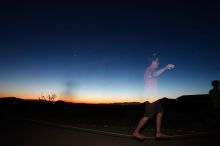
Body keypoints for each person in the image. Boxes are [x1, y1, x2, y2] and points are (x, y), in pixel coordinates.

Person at [133, 55, 175, 140]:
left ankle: (158, 133)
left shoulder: (152, 70)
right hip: (150, 95)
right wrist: (166, 67)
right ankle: (136, 132)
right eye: (157, 61)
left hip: (155, 96)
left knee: (160, 112)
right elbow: (154, 74)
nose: (158, 63)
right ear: (153, 62)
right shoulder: (149, 69)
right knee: (148, 115)